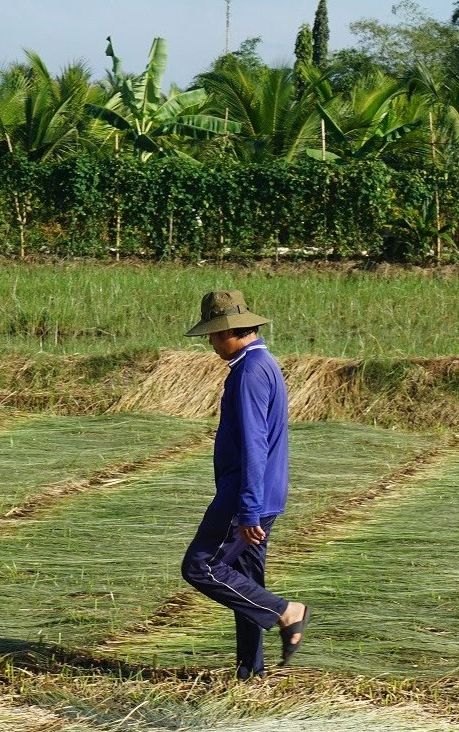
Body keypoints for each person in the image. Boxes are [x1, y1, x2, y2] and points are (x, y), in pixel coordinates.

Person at [180, 290, 310, 679]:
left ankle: (287, 611)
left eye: (213, 334)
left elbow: (255, 443)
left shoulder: (248, 373)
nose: (210, 343)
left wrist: (247, 508)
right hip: (265, 493)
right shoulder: (265, 364)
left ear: (228, 332)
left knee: (201, 567)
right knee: (246, 580)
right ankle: (250, 673)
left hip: (245, 496)